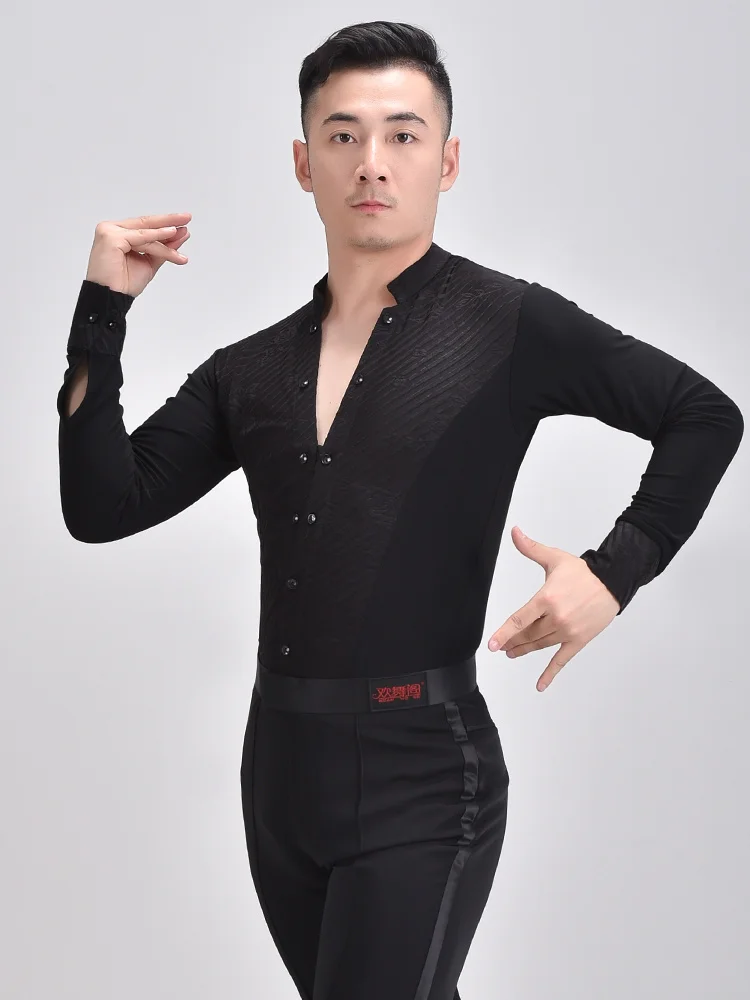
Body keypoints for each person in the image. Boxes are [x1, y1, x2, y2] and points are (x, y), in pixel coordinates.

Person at [56, 20, 744, 1000]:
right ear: (304, 164)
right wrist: (103, 311)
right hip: (278, 775)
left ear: (446, 162)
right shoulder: (248, 370)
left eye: (403, 134)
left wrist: (615, 570)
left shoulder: (506, 323)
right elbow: (101, 503)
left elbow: (703, 415)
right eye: (342, 135)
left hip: (422, 770)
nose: (371, 162)